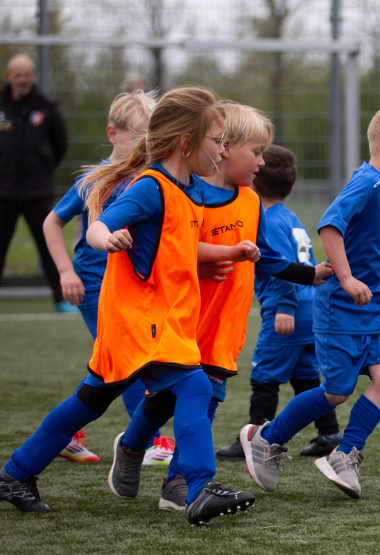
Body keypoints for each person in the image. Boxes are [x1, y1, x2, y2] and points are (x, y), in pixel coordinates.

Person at [0, 87, 259, 526]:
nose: (222, 150)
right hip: (137, 321)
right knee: (194, 386)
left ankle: (15, 473)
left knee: (89, 401)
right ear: (186, 142)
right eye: (217, 141)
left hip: (161, 320)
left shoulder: (189, 189)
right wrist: (108, 239)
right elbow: (99, 227)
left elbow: (180, 245)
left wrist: (229, 251)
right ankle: (199, 488)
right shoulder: (150, 187)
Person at [114, 103, 332, 511]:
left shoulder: (250, 201)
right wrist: (202, 262)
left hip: (225, 324)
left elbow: (265, 256)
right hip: (182, 320)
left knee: (209, 400)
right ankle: (131, 447)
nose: (262, 162)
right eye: (257, 151)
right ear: (225, 148)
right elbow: (166, 249)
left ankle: (177, 482)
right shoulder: (187, 193)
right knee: (163, 400)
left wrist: (310, 274)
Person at [237, 100, 380, 499]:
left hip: (374, 309)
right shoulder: (368, 182)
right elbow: (330, 226)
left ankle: (344, 454)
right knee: (337, 391)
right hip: (342, 309)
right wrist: (346, 278)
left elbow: (363, 238)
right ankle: (266, 439)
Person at [40, 90, 176, 465]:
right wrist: (65, 271)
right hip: (95, 285)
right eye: (138, 135)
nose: (145, 143)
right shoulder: (97, 178)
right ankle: (151, 442)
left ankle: (67, 432)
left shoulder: (152, 178)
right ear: (113, 134)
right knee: (126, 361)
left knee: (115, 363)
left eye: (151, 135)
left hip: (132, 287)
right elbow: (52, 222)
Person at [215, 145, 341, 463]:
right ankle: (329, 434)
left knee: (265, 376)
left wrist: (284, 306)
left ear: (253, 181)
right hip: (311, 310)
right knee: (305, 376)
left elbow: (281, 266)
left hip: (288, 310)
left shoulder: (267, 220)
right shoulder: (291, 218)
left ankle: (255, 437)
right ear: (292, 186)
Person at [0, 54, 69, 311]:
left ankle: (61, 299)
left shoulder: (47, 105)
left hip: (37, 190)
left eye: (27, 74)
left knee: (49, 245)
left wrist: (42, 167)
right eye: (18, 75)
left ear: (33, 76)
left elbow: (60, 144)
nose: (22, 79)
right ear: (9, 76)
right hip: (3, 190)